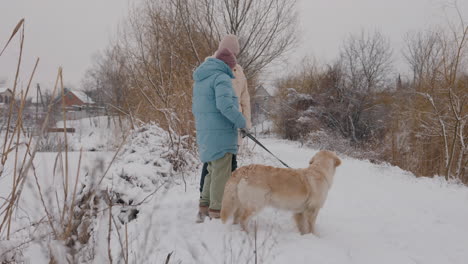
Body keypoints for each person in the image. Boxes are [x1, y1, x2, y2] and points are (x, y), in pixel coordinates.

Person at [192, 47, 247, 222]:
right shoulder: (221, 77)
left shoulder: (202, 79)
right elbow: (226, 106)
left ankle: (205, 205)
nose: (233, 71)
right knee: (221, 173)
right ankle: (217, 209)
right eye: (233, 67)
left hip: (207, 132)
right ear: (228, 65)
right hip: (221, 133)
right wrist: (242, 122)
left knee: (211, 170)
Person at [199, 34, 252, 196]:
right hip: (215, 124)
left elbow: (245, 99)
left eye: (235, 53)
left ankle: (227, 196)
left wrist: (246, 124)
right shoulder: (208, 67)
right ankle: (206, 197)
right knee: (212, 162)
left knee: (231, 160)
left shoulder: (239, 70)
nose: (233, 56)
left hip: (234, 125)